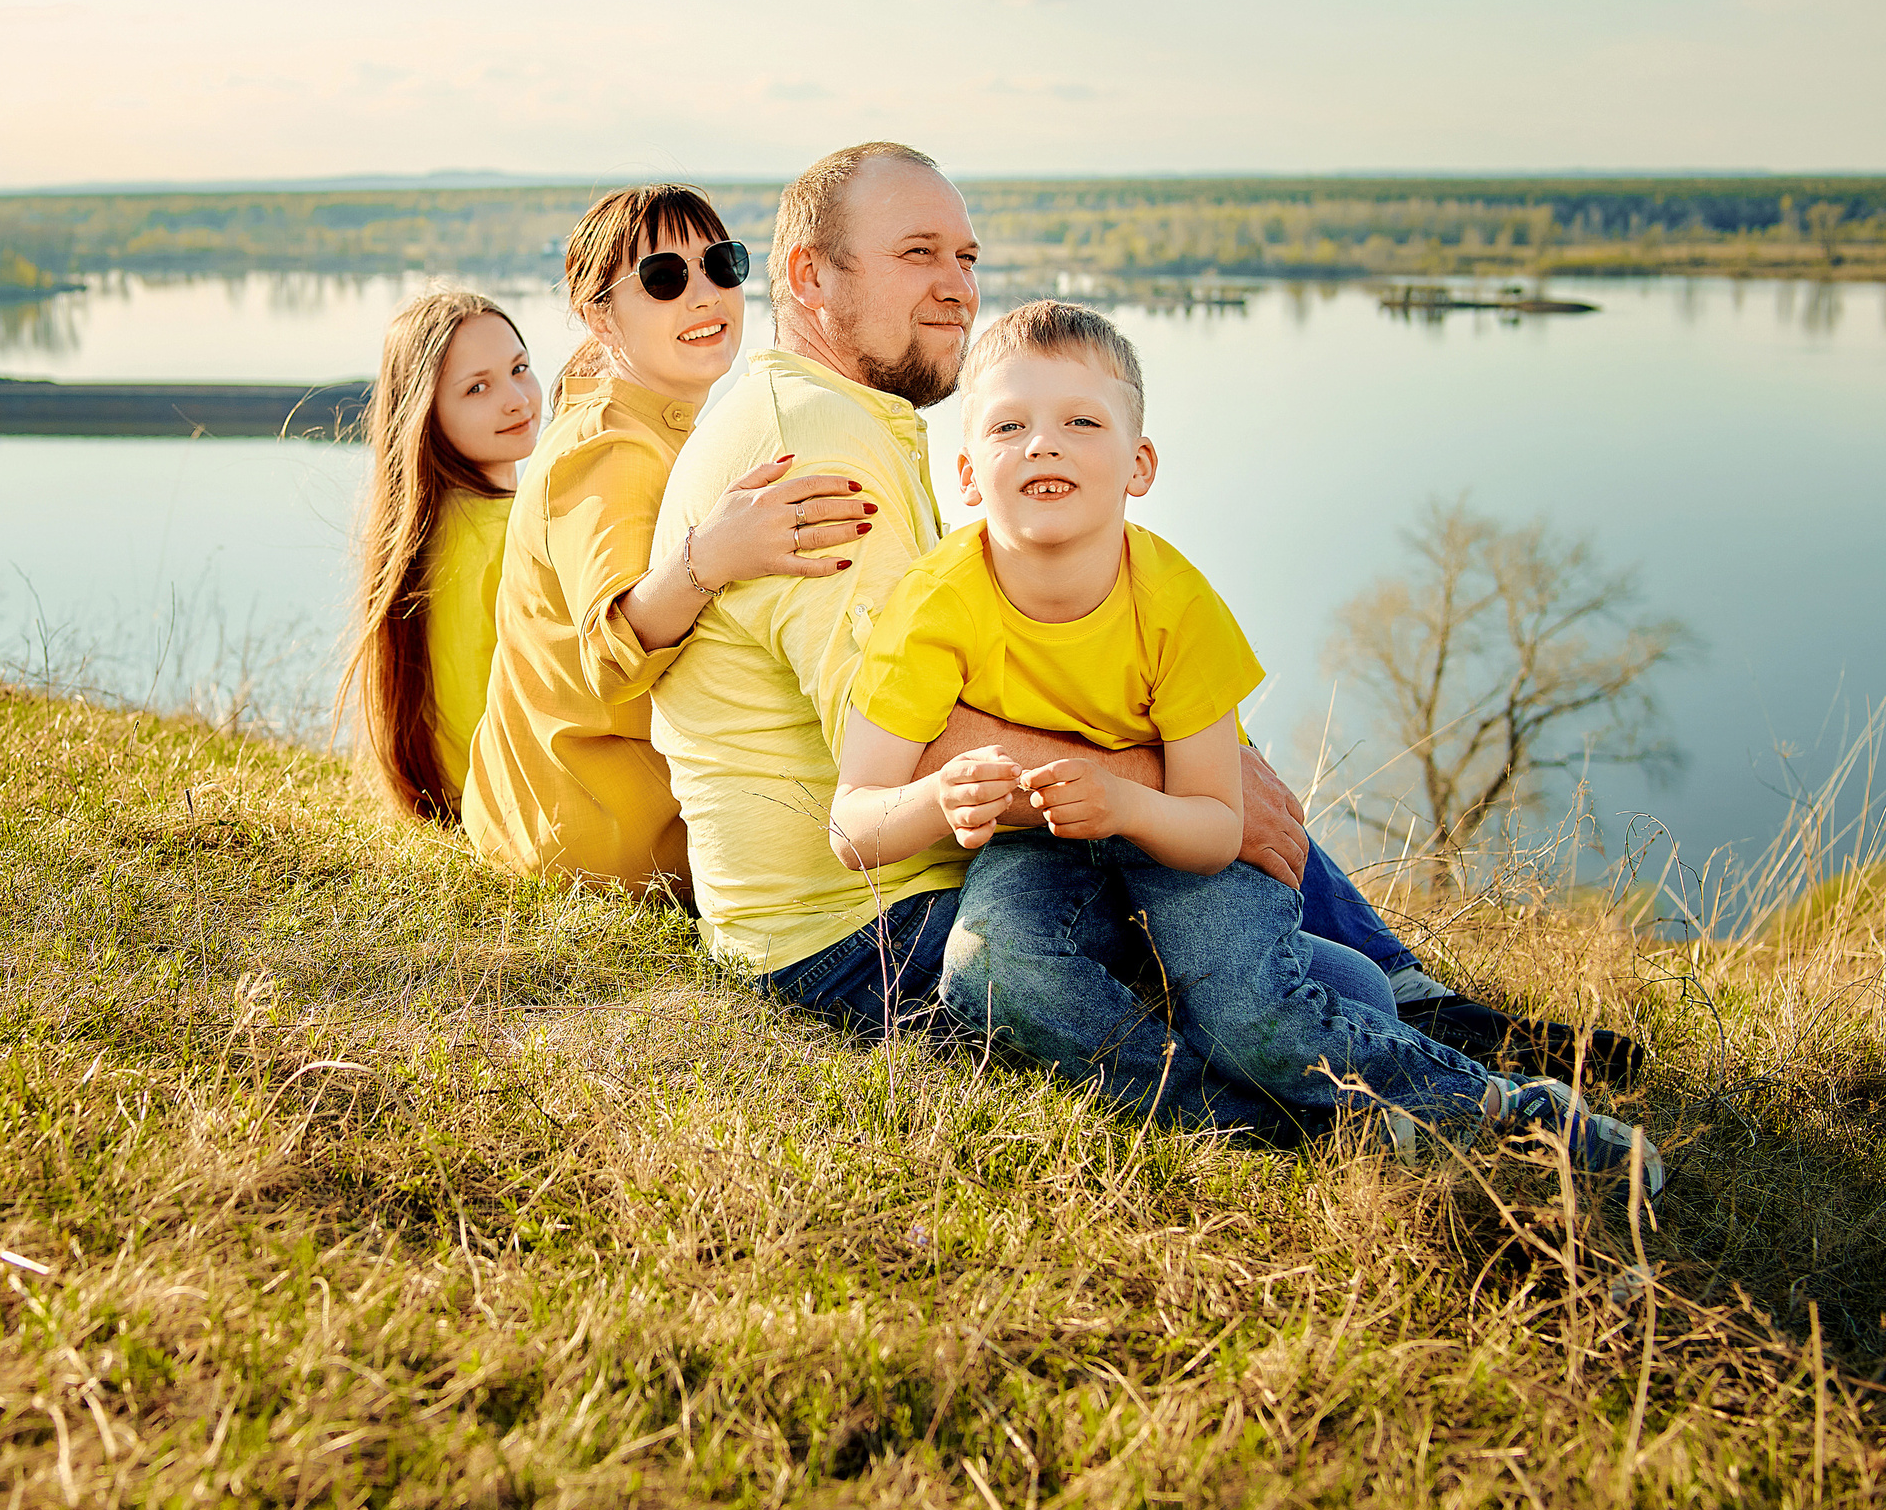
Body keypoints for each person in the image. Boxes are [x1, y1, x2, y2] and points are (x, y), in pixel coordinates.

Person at [648, 141, 1637, 1100]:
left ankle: (1405, 999)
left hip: (876, 902)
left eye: (966, 257)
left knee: (1166, 700)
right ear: (807, 275)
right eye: (918, 254)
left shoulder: (845, 413)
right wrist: (1180, 789)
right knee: (1295, 954)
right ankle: (1407, 1068)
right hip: (859, 942)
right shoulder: (816, 445)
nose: (955, 284)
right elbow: (908, 740)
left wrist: (1185, 772)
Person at [826, 299, 1659, 1185]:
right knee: (990, 976)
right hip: (1039, 854)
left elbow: (1219, 827)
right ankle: (1268, 1125)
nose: (1043, 443)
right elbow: (853, 824)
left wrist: (1123, 803)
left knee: (1248, 1007)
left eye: (1081, 420)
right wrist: (935, 797)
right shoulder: (932, 605)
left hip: (1172, 839)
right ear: (965, 472)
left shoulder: (1180, 607)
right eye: (1009, 425)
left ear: (1139, 464)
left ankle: (1508, 1110)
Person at [460, 185, 872, 892]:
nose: (703, 294)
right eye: (663, 279)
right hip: (601, 835)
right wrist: (712, 555)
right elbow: (608, 654)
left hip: (568, 809)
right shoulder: (610, 450)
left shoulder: (652, 424)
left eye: (721, 265)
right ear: (600, 314)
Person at [339, 290, 544, 821]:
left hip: (455, 800)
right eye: (477, 387)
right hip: (524, 812)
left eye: (520, 368)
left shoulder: (419, 534)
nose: (516, 399)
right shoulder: (513, 531)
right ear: (425, 413)